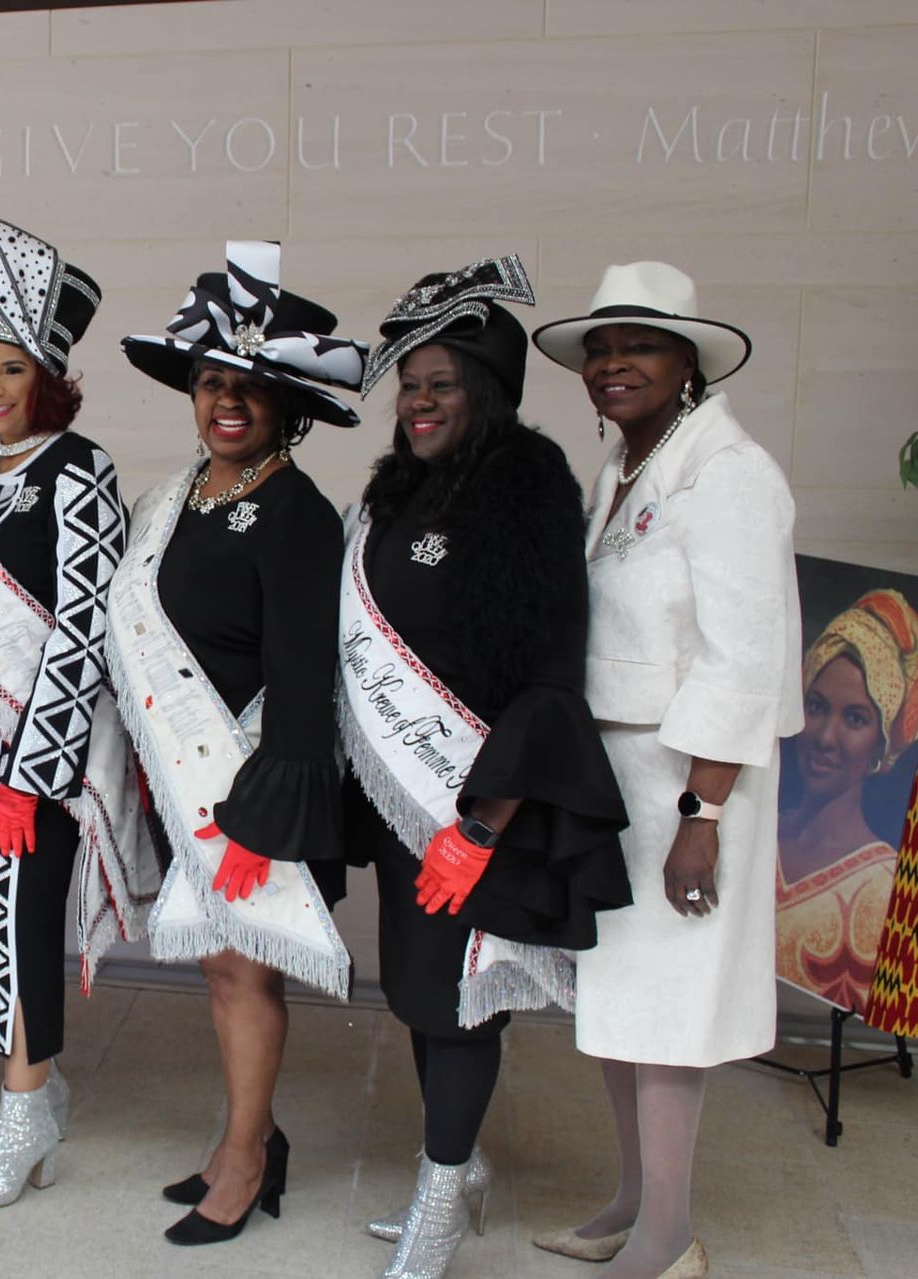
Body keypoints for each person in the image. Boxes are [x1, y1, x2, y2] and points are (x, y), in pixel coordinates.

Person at [341, 257, 631, 1278]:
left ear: (488, 390)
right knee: (421, 993)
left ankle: (438, 1192)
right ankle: (454, 1172)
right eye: (410, 384)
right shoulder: (393, 488)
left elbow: (547, 669)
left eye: (442, 384)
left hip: (473, 804)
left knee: (462, 999)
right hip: (398, 798)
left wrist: (480, 826)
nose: (419, 402)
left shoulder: (529, 483)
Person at [532, 262, 801, 1279]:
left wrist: (705, 813)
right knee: (622, 1004)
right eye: (600, 349)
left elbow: (743, 656)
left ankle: (669, 1238)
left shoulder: (729, 475)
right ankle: (633, 1202)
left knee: (672, 1010)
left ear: (688, 362)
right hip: (621, 783)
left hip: (691, 783)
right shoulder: (626, 467)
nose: (612, 365)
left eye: (637, 346)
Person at [108, 241, 362, 1247]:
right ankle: (246, 1136)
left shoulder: (296, 514)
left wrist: (267, 815)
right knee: (220, 973)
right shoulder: (183, 497)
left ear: (286, 404)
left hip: (253, 783)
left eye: (250, 387)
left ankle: (249, 1157)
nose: (227, 401)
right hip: (187, 777)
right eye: (212, 381)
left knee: (245, 972)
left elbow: (307, 681)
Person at [0, 216, 156, 1208]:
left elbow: (80, 632)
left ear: (50, 375)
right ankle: (37, 1093)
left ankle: (25, 1118)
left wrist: (35, 773)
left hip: (43, 758)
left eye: (8, 370)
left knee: (26, 926)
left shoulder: (83, 469)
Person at [776, 590, 917, 1011]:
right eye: (816, 707)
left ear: (882, 743)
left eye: (855, 718)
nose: (825, 738)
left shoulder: (886, 889)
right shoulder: (753, 834)